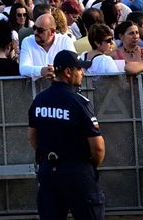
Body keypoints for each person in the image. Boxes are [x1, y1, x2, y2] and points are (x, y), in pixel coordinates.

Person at [27, 49, 105, 220]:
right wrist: (88, 167)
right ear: (68, 72)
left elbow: (32, 136)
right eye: (79, 69)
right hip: (77, 171)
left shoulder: (39, 100)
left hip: (48, 171)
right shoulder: (79, 102)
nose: (82, 73)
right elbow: (98, 147)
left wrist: (46, 156)